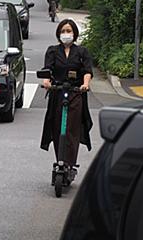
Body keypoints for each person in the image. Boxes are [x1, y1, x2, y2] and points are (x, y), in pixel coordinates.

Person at [41, 19, 93, 177]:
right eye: (63, 31)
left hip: (75, 93)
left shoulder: (82, 52)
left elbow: (87, 71)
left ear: (74, 33)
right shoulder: (52, 51)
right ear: (58, 33)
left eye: (69, 31)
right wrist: (46, 81)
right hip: (58, 92)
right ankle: (60, 160)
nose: (66, 34)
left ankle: (70, 164)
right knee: (57, 127)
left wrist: (85, 84)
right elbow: (47, 70)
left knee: (71, 129)